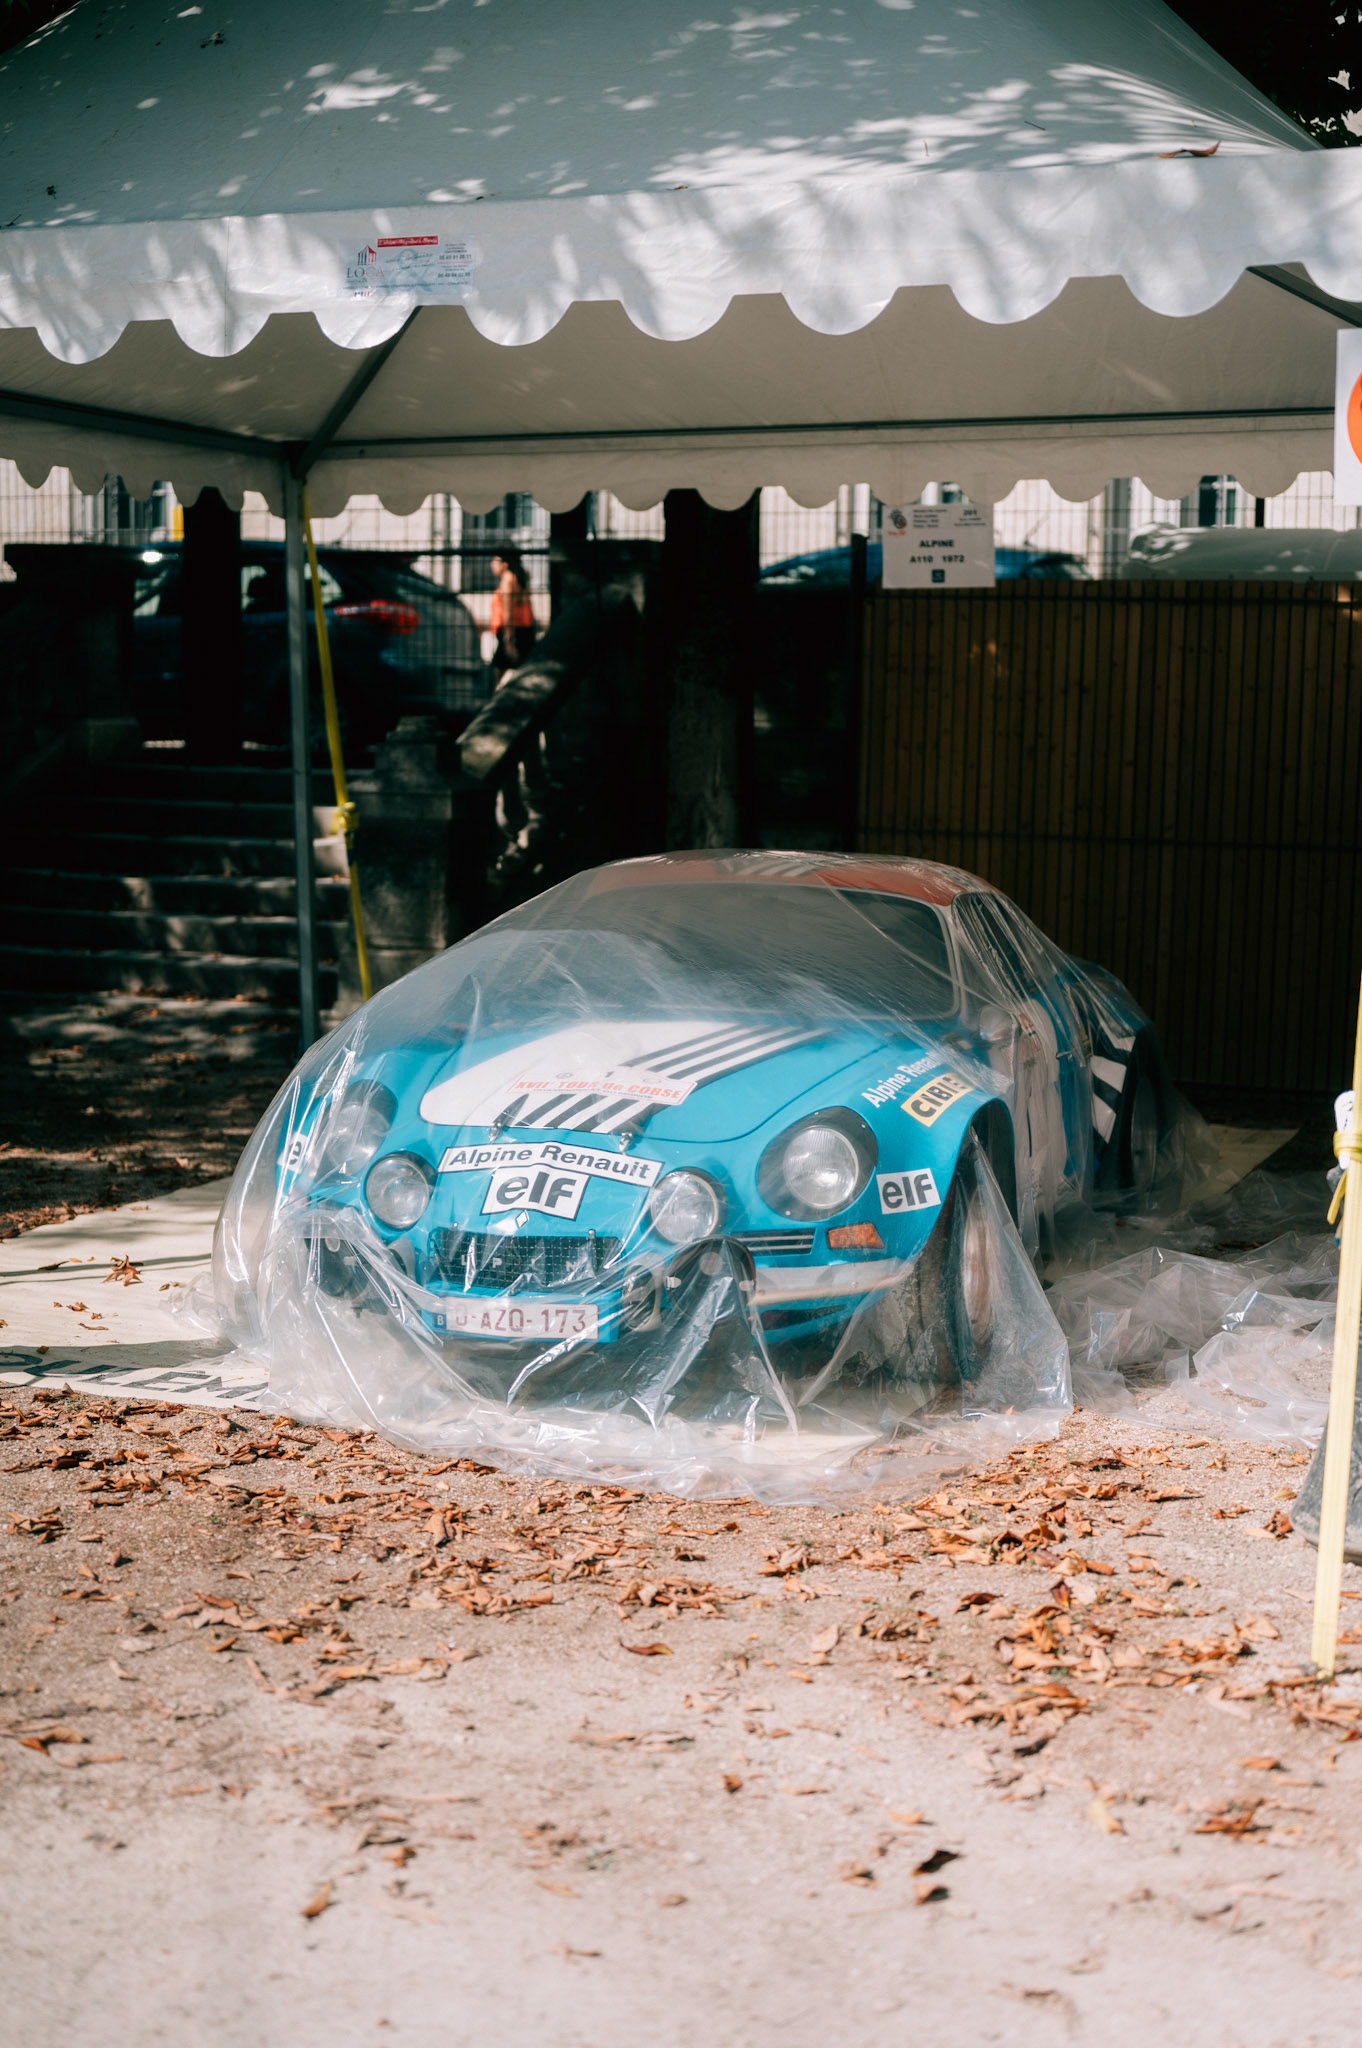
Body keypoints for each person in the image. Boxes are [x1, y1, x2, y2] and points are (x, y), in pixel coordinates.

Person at [488, 545, 536, 677]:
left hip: (513, 631)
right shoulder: (517, 578)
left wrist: (509, 641)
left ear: (505, 564)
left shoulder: (508, 581)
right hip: (522, 630)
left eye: (495, 561)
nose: (492, 564)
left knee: (499, 673)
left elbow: (508, 614)